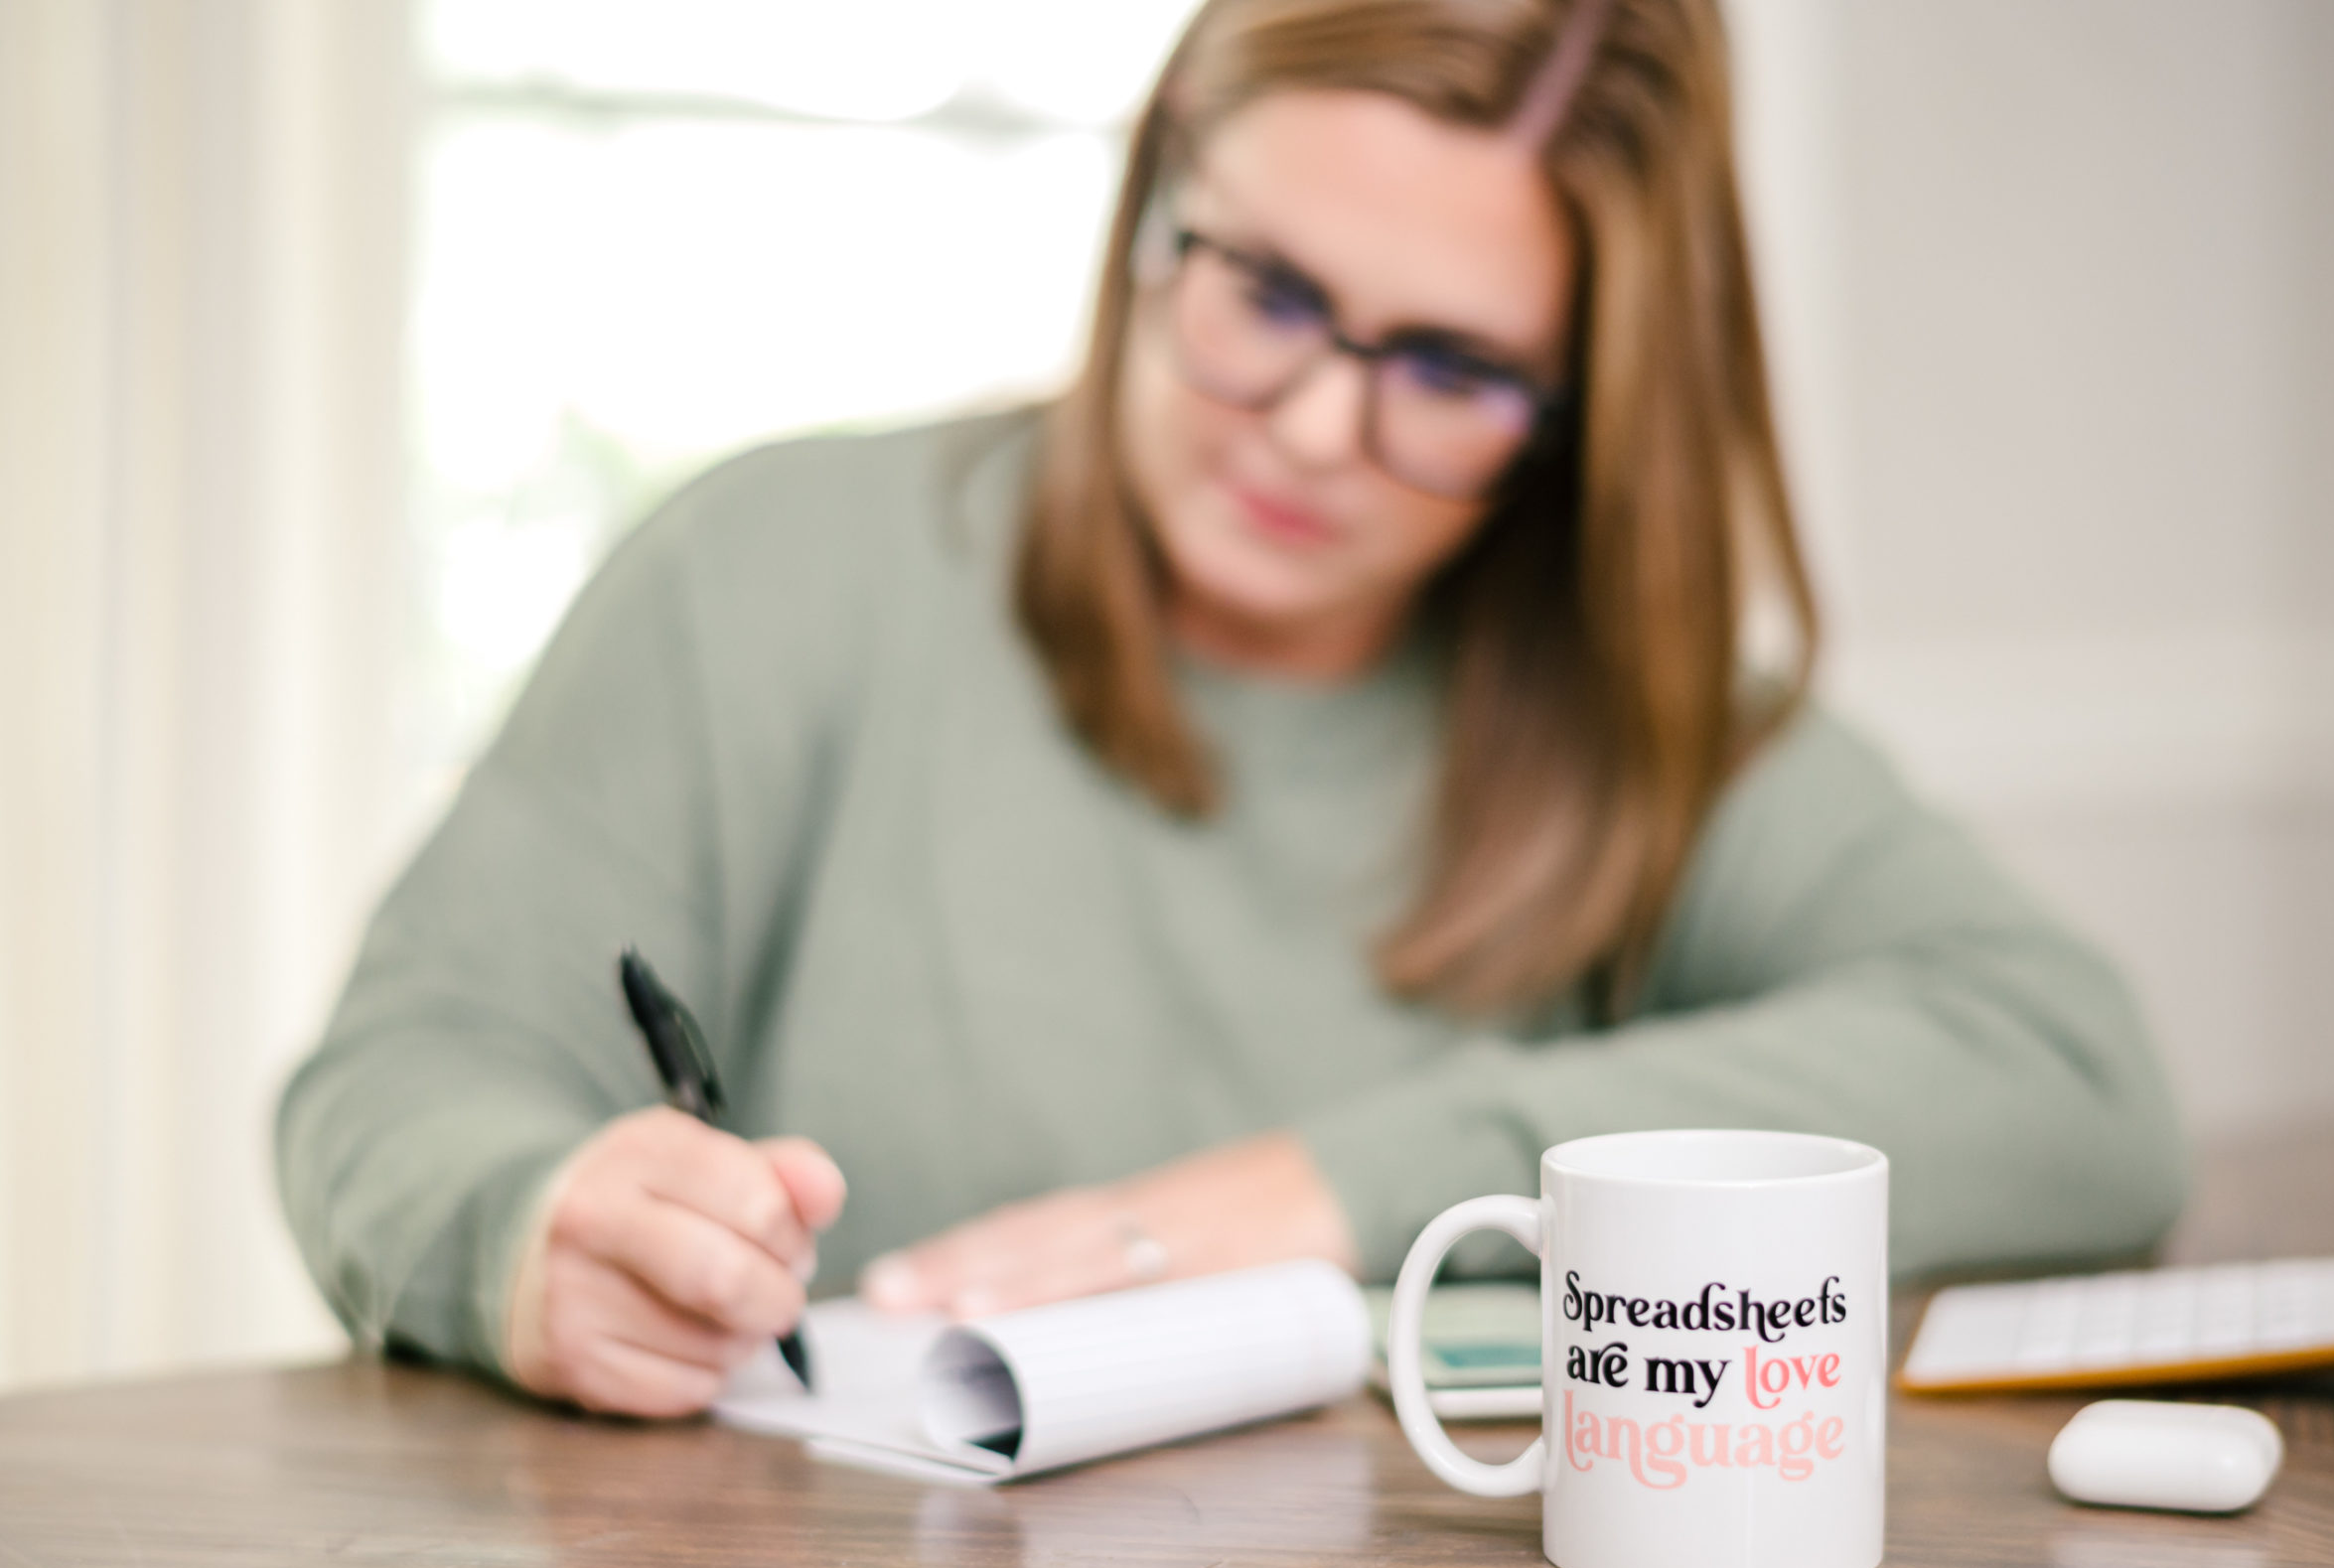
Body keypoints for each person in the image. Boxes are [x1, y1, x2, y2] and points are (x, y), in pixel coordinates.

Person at [278, 0, 2187, 1419]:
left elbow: (2074, 1083)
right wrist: (527, 1234)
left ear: (1590, 413)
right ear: (1158, 180)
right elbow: (402, 1070)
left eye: (1451, 368)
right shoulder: (771, 575)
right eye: (1266, 290)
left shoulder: (1648, 729)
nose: (1316, 430)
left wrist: (1317, 1194)